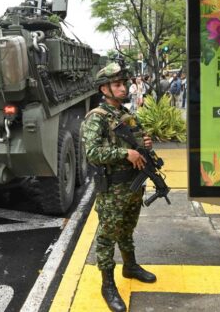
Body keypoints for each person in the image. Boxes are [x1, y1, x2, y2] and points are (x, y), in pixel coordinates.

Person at [81, 63, 157, 312]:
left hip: (132, 186)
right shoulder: (97, 118)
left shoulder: (125, 115)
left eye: (123, 83)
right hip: (113, 190)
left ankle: (130, 266)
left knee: (127, 229)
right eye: (117, 84)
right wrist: (125, 152)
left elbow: (138, 141)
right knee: (106, 237)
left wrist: (145, 142)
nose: (123, 88)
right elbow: (92, 152)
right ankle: (107, 285)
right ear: (104, 89)